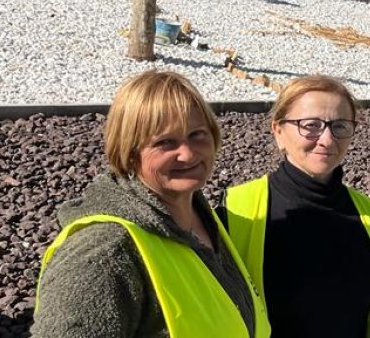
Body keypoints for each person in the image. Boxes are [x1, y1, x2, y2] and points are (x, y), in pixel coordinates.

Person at [32, 70, 269, 338]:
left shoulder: (201, 217)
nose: (188, 154)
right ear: (129, 151)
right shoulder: (106, 252)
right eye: (165, 142)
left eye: (197, 134)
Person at [222, 75, 370, 337]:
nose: (327, 140)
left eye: (340, 126)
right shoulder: (234, 211)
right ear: (278, 131)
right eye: (311, 126)